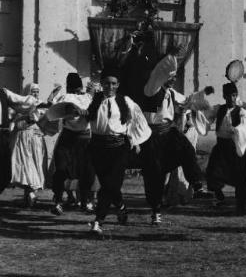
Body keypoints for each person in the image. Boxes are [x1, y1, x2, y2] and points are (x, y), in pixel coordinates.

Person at [74, 67, 151, 235]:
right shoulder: (92, 100)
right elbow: (79, 117)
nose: (110, 87)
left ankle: (98, 221)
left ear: (118, 85)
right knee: (109, 185)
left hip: (119, 148)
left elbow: (135, 120)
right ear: (101, 84)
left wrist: (135, 140)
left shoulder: (125, 101)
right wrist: (79, 113)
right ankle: (121, 207)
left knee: (109, 184)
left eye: (113, 84)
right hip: (98, 147)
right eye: (107, 83)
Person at [139, 54, 205, 224]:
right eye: (171, 77)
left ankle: (197, 184)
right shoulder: (151, 89)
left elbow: (186, 100)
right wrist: (165, 67)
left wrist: (191, 103)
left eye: (175, 77)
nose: (173, 80)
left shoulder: (171, 92)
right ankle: (155, 209)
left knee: (187, 149)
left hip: (169, 132)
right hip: (152, 136)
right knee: (155, 174)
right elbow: (157, 78)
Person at [50, 73, 96, 215]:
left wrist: (85, 112)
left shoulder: (87, 97)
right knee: (64, 169)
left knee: (84, 171)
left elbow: (93, 114)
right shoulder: (71, 98)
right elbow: (58, 112)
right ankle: (60, 201)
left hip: (80, 137)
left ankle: (81, 201)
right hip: (73, 137)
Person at [205, 82, 246, 214]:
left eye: (234, 95)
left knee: (240, 177)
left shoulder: (241, 111)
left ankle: (240, 204)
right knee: (212, 172)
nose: (231, 98)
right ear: (224, 96)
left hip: (234, 147)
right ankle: (219, 195)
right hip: (220, 146)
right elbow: (206, 117)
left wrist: (237, 130)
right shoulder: (219, 109)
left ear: (236, 96)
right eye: (228, 96)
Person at [9, 83, 48, 207]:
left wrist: (44, 131)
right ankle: (29, 194)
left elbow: (50, 121)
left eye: (37, 91)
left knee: (34, 164)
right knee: (25, 164)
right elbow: (14, 122)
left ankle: (30, 194)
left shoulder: (41, 106)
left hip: (35, 139)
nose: (35, 93)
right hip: (22, 137)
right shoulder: (20, 106)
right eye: (33, 91)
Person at [0, 86, 38, 194]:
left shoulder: (4, 92)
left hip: (2, 135)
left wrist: (41, 103)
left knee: (5, 171)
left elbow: (22, 101)